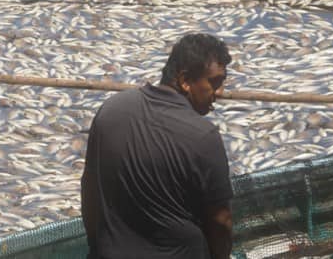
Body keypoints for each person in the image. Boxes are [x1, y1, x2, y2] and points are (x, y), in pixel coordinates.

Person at [81, 33, 233, 259]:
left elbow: (89, 192)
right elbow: (221, 221)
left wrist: (98, 246)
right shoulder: (204, 136)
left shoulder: (111, 110)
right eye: (214, 82)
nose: (219, 93)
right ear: (185, 81)